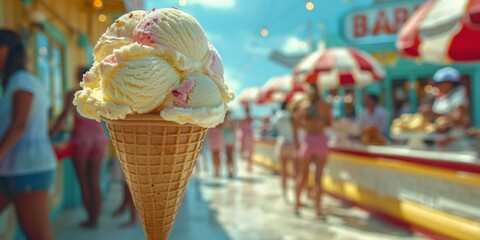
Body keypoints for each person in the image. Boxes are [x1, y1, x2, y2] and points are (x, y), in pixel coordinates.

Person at [0, 29, 57, 240]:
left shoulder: (22, 79)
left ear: (7, 49)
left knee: (38, 235)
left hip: (29, 168)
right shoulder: (13, 82)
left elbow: (19, 124)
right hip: (12, 168)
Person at [50, 66, 109, 228]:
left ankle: (90, 219)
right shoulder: (99, 94)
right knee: (94, 180)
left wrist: (50, 136)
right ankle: (95, 219)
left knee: (83, 181)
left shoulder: (72, 94)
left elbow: (63, 117)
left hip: (81, 138)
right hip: (98, 138)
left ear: (78, 76)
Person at [293, 84, 333, 217]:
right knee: (318, 178)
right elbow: (329, 123)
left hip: (309, 140)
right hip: (321, 140)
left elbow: (296, 123)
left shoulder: (304, 106)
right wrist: (319, 121)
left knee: (302, 175)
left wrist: (307, 124)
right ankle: (317, 209)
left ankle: (297, 205)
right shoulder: (325, 105)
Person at [422, 67, 470, 144]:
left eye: (439, 83)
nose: (437, 86)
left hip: (455, 144)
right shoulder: (442, 97)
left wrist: (434, 113)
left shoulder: (458, 96)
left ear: (450, 83)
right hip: (441, 142)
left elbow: (458, 119)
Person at [272, 100, 296, 202]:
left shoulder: (277, 115)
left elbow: (274, 128)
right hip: (291, 143)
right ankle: (295, 195)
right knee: (295, 171)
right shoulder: (291, 115)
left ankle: (284, 193)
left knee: (283, 171)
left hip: (281, 143)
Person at [239, 104, 254, 172]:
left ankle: (247, 165)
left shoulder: (243, 117)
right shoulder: (249, 117)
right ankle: (249, 166)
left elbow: (240, 126)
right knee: (249, 151)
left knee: (244, 151)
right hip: (249, 135)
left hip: (245, 135)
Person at [222, 110, 237, 178]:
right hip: (230, 138)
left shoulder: (223, 120)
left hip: (226, 139)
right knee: (231, 155)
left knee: (228, 155)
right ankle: (231, 170)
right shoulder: (231, 120)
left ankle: (229, 170)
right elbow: (234, 129)